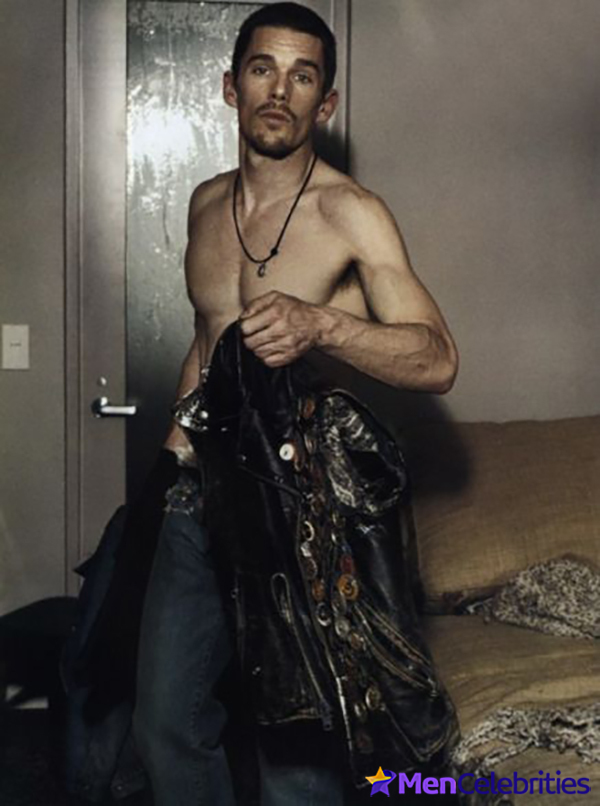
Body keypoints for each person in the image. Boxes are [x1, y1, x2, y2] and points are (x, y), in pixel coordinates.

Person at [132, 4, 460, 805]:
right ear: (231, 87)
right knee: (166, 721)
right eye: (263, 70)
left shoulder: (351, 213)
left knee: (299, 743)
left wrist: (324, 325)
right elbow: (208, 343)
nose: (280, 91)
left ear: (327, 103)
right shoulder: (205, 204)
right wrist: (169, 468)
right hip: (201, 494)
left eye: (302, 76)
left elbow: (437, 358)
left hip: (305, 511)